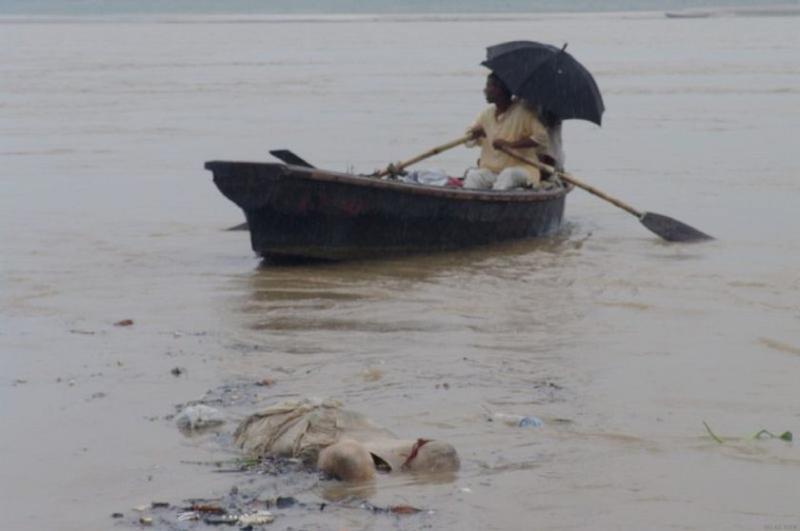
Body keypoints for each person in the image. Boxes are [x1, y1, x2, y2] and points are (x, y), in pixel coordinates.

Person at [234, 398, 460, 482]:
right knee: (442, 453)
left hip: (352, 443)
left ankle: (356, 468)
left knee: (351, 459)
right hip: (373, 441)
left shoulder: (259, 427)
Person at [464, 73, 552, 190]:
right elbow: (468, 141)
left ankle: (496, 204)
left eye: (490, 86)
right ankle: (474, 205)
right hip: (491, 171)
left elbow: (542, 138)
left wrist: (510, 145)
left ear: (502, 90)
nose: (485, 90)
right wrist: (474, 134)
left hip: (522, 170)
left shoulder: (523, 113)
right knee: (473, 176)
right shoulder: (486, 114)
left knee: (508, 175)